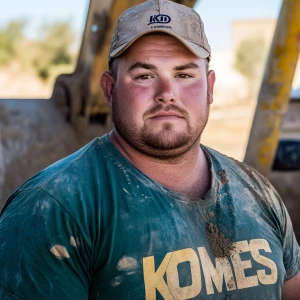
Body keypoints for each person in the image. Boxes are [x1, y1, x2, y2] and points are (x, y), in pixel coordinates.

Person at [1, 0, 299, 299]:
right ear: (109, 89)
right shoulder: (52, 209)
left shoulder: (256, 191)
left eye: (184, 75)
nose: (167, 94)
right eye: (145, 76)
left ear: (210, 87)